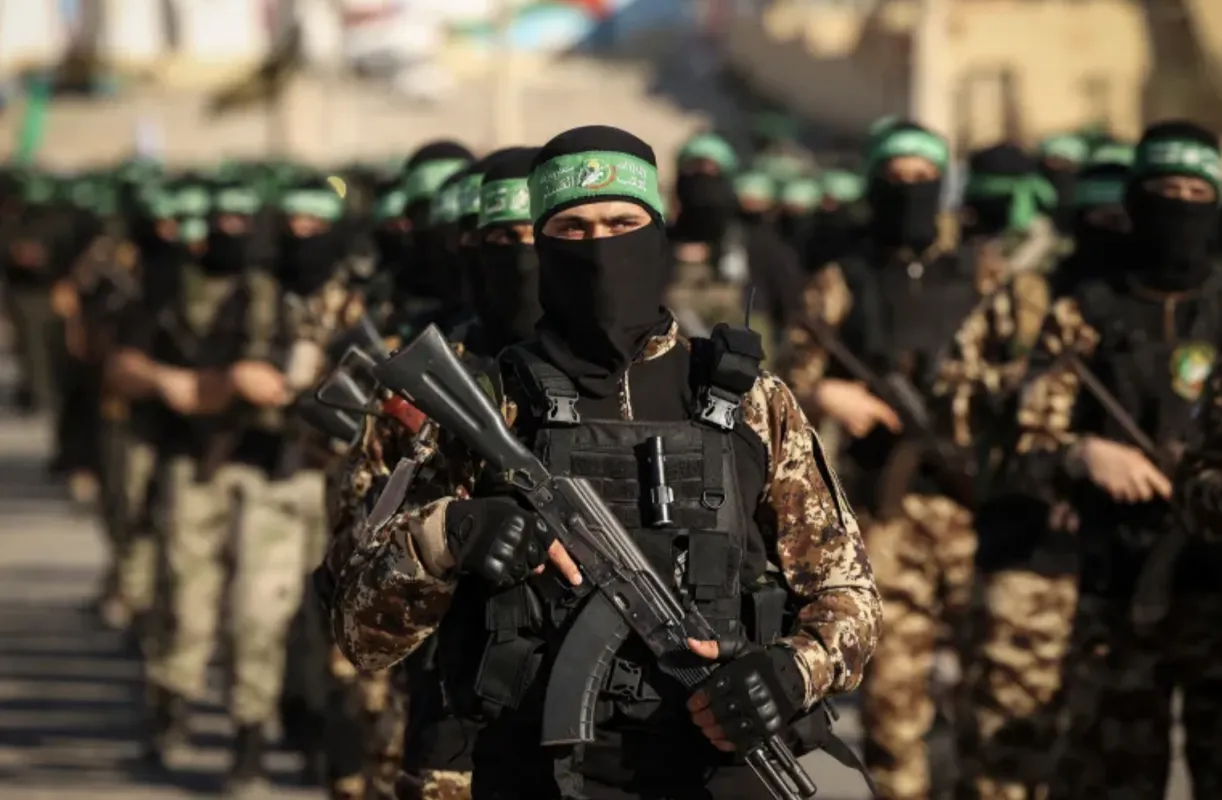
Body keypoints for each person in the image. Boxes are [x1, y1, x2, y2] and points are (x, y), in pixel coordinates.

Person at [326, 125, 880, 799]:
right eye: (573, 229)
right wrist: (447, 535)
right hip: (539, 778)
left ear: (658, 231)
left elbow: (849, 596)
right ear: (542, 244)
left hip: (714, 774)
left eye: (622, 223)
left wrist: (794, 670)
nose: (600, 249)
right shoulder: (490, 405)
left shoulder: (753, 403)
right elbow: (362, 637)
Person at [781, 121, 993, 800]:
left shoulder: (985, 274)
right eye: (895, 178)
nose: (909, 190)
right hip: (885, 515)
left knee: (997, 703)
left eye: (922, 177)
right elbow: (784, 383)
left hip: (979, 513)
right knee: (893, 706)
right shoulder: (842, 279)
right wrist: (827, 393)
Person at [1013, 120, 1222, 798]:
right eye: (1166, 191)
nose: (1180, 207)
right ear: (1136, 201)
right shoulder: (1086, 311)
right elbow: (1022, 444)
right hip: (1116, 597)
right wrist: (1082, 453)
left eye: (1197, 193)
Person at [950, 144, 1136, 799]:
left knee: (1109, 758)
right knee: (1006, 752)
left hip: (1136, 567)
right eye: (1097, 217)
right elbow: (957, 389)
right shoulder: (1030, 293)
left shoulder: (1179, 304)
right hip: (1030, 548)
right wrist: (1019, 387)